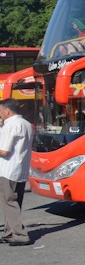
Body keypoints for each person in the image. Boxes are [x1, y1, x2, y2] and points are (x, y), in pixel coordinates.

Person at [0, 99, 34, 246]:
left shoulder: (11, 125)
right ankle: (9, 232)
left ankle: (19, 235)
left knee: (9, 202)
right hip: (20, 168)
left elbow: (4, 150)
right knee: (14, 202)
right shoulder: (26, 124)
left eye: (0, 111)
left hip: (8, 169)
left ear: (7, 111)